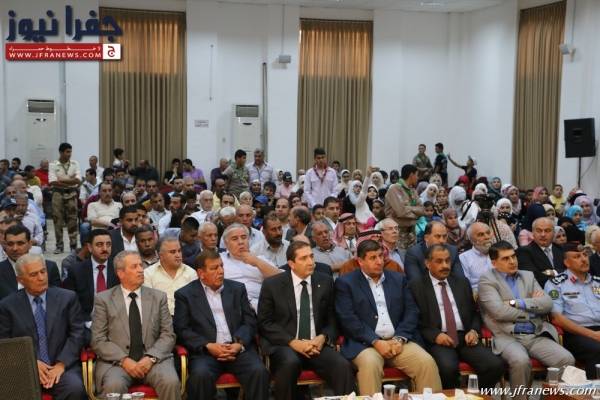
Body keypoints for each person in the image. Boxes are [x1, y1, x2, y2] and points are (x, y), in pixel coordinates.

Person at [335, 240, 442, 395]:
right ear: (360, 261)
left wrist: (400, 338)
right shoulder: (346, 283)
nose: (379, 261)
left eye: (381, 256)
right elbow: (348, 319)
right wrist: (375, 341)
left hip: (398, 341)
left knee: (426, 363)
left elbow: (411, 312)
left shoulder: (398, 279)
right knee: (370, 365)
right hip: (365, 344)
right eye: (373, 258)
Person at [258, 241, 355, 399]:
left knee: (342, 366)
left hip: (316, 344)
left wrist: (323, 337)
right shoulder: (272, 285)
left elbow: (332, 319)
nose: (310, 262)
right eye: (303, 258)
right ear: (291, 264)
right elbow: (265, 323)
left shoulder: (325, 281)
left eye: (311, 256)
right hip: (286, 345)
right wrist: (292, 342)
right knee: (289, 363)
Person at [478, 241, 574, 399]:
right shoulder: (486, 280)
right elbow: (499, 312)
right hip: (507, 336)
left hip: (534, 334)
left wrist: (517, 303)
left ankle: (546, 398)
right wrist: (532, 310)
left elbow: (547, 303)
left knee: (566, 359)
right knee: (521, 361)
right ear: (494, 263)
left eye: (513, 256)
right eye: (506, 258)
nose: (512, 261)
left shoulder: (527, 276)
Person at [173, 249, 270, 399]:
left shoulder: (237, 289)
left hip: (237, 349)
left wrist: (239, 344)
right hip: (206, 353)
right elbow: (182, 329)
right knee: (200, 376)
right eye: (214, 268)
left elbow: (250, 321)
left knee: (259, 371)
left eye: (221, 266)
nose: (221, 271)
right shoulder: (185, 295)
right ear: (201, 273)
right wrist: (208, 345)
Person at [409, 244, 504, 389]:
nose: (445, 265)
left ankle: (475, 396)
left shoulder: (461, 282)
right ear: (427, 264)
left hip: (465, 337)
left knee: (495, 365)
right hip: (438, 340)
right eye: (439, 261)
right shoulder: (416, 286)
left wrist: (474, 331)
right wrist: (435, 335)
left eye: (447, 261)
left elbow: (474, 313)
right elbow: (415, 320)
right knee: (447, 369)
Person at [90, 251, 181, 399]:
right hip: (117, 363)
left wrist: (150, 358)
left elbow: (168, 335)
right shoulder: (104, 300)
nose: (140, 270)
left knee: (170, 382)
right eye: (134, 266)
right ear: (120, 273)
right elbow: (98, 339)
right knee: (114, 385)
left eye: (141, 265)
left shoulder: (158, 297)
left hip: (154, 361)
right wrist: (124, 360)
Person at [0, 254, 87, 400]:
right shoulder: (7, 306)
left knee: (75, 388)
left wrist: (61, 364)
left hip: (62, 366)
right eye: (34, 274)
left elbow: (77, 334)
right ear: (20, 280)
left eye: (43, 271)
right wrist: (30, 363)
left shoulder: (67, 298)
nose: (41, 278)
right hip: (24, 368)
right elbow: (5, 344)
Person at [545, 243, 600, 379]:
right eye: (577, 257)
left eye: (585, 255)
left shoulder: (597, 282)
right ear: (567, 263)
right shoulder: (556, 284)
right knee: (596, 349)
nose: (583, 259)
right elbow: (557, 318)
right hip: (575, 333)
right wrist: (593, 335)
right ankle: (594, 388)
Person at [63, 229, 118, 331]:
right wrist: (86, 323)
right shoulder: (77, 270)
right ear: (89, 247)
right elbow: (71, 303)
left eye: (108, 244)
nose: (105, 248)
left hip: (114, 323)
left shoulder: (118, 269)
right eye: (99, 245)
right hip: (86, 323)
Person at [220, 223, 281, 310]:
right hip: (232, 305)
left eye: (244, 237)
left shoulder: (260, 259)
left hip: (260, 305)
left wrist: (257, 262)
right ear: (226, 244)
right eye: (235, 239)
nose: (240, 242)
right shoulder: (220, 260)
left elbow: (281, 280)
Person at [0, 224, 61, 300]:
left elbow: (57, 298)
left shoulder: (49, 267)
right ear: (5, 245)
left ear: (30, 244)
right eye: (10, 244)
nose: (15, 248)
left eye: (20, 243)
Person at [49, 143, 81, 254]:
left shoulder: (75, 163)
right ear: (61, 152)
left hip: (72, 193)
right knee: (57, 220)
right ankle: (59, 245)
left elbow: (78, 180)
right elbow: (52, 182)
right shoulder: (53, 164)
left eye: (70, 152)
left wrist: (61, 180)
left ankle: (73, 246)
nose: (69, 154)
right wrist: (70, 181)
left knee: (73, 219)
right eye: (67, 152)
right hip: (57, 193)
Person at [385, 164, 424, 249]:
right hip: (398, 234)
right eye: (417, 175)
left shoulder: (412, 190)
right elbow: (401, 212)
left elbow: (422, 210)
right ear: (411, 175)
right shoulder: (394, 188)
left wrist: (408, 208)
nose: (418, 178)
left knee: (412, 257)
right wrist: (415, 213)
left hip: (411, 234)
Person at [516, 217, 565, 287]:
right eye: (539, 231)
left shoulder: (560, 249)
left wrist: (553, 272)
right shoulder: (524, 252)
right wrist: (559, 273)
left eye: (547, 231)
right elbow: (533, 278)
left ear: (554, 233)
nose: (543, 234)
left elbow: (570, 270)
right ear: (533, 233)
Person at [459, 222, 493, 291]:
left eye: (488, 233)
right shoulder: (464, 258)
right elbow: (466, 286)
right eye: (481, 235)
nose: (487, 237)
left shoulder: (499, 252)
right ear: (471, 240)